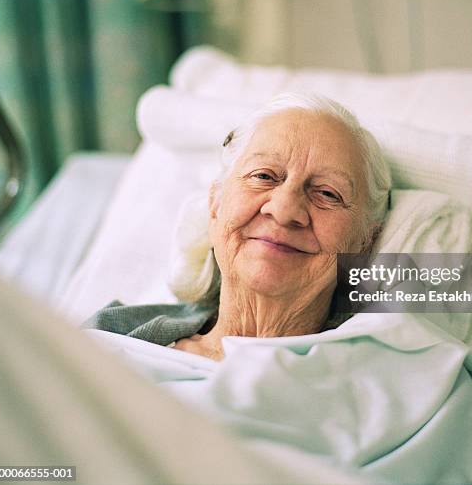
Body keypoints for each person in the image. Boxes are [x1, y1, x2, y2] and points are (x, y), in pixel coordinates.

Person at [85, 93, 391, 360]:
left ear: (363, 243)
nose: (284, 211)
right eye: (264, 176)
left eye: (327, 193)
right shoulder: (107, 337)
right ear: (215, 204)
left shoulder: (383, 387)